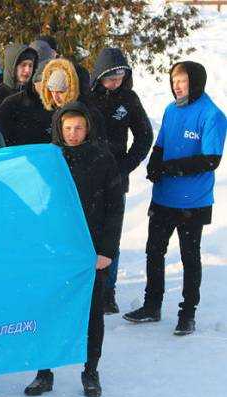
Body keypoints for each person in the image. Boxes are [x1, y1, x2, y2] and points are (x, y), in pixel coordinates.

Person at [24, 101, 124, 397]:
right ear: (59, 128)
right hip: (55, 249)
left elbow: (114, 208)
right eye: (67, 128)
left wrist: (106, 250)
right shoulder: (49, 159)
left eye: (79, 127)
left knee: (91, 313)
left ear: (88, 128)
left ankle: (90, 371)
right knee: (49, 310)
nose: (73, 133)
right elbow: (35, 203)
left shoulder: (103, 159)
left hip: (91, 250)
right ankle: (44, 371)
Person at [124, 61, 226, 335]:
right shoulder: (171, 110)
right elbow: (161, 144)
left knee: (189, 257)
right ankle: (152, 305)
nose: (176, 86)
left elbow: (211, 160)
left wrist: (170, 167)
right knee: (154, 251)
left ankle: (187, 314)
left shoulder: (212, 115)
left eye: (182, 81)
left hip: (193, 201)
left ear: (196, 82)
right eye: (174, 81)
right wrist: (154, 163)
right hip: (164, 197)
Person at [89, 48, 153, 314]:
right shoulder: (87, 98)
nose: (115, 82)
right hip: (87, 178)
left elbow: (144, 136)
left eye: (120, 77)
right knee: (86, 235)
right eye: (110, 78)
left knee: (110, 237)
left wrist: (125, 166)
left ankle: (108, 292)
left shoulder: (129, 99)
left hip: (115, 179)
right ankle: (88, 289)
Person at [0, 61, 53, 146]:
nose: (49, 89)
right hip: (18, 152)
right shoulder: (12, 104)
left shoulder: (61, 105)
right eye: (45, 82)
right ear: (35, 82)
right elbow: (0, 139)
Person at [0, 43, 37, 122]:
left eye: (30, 65)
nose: (27, 70)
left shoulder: (34, 95)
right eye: (23, 65)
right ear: (12, 66)